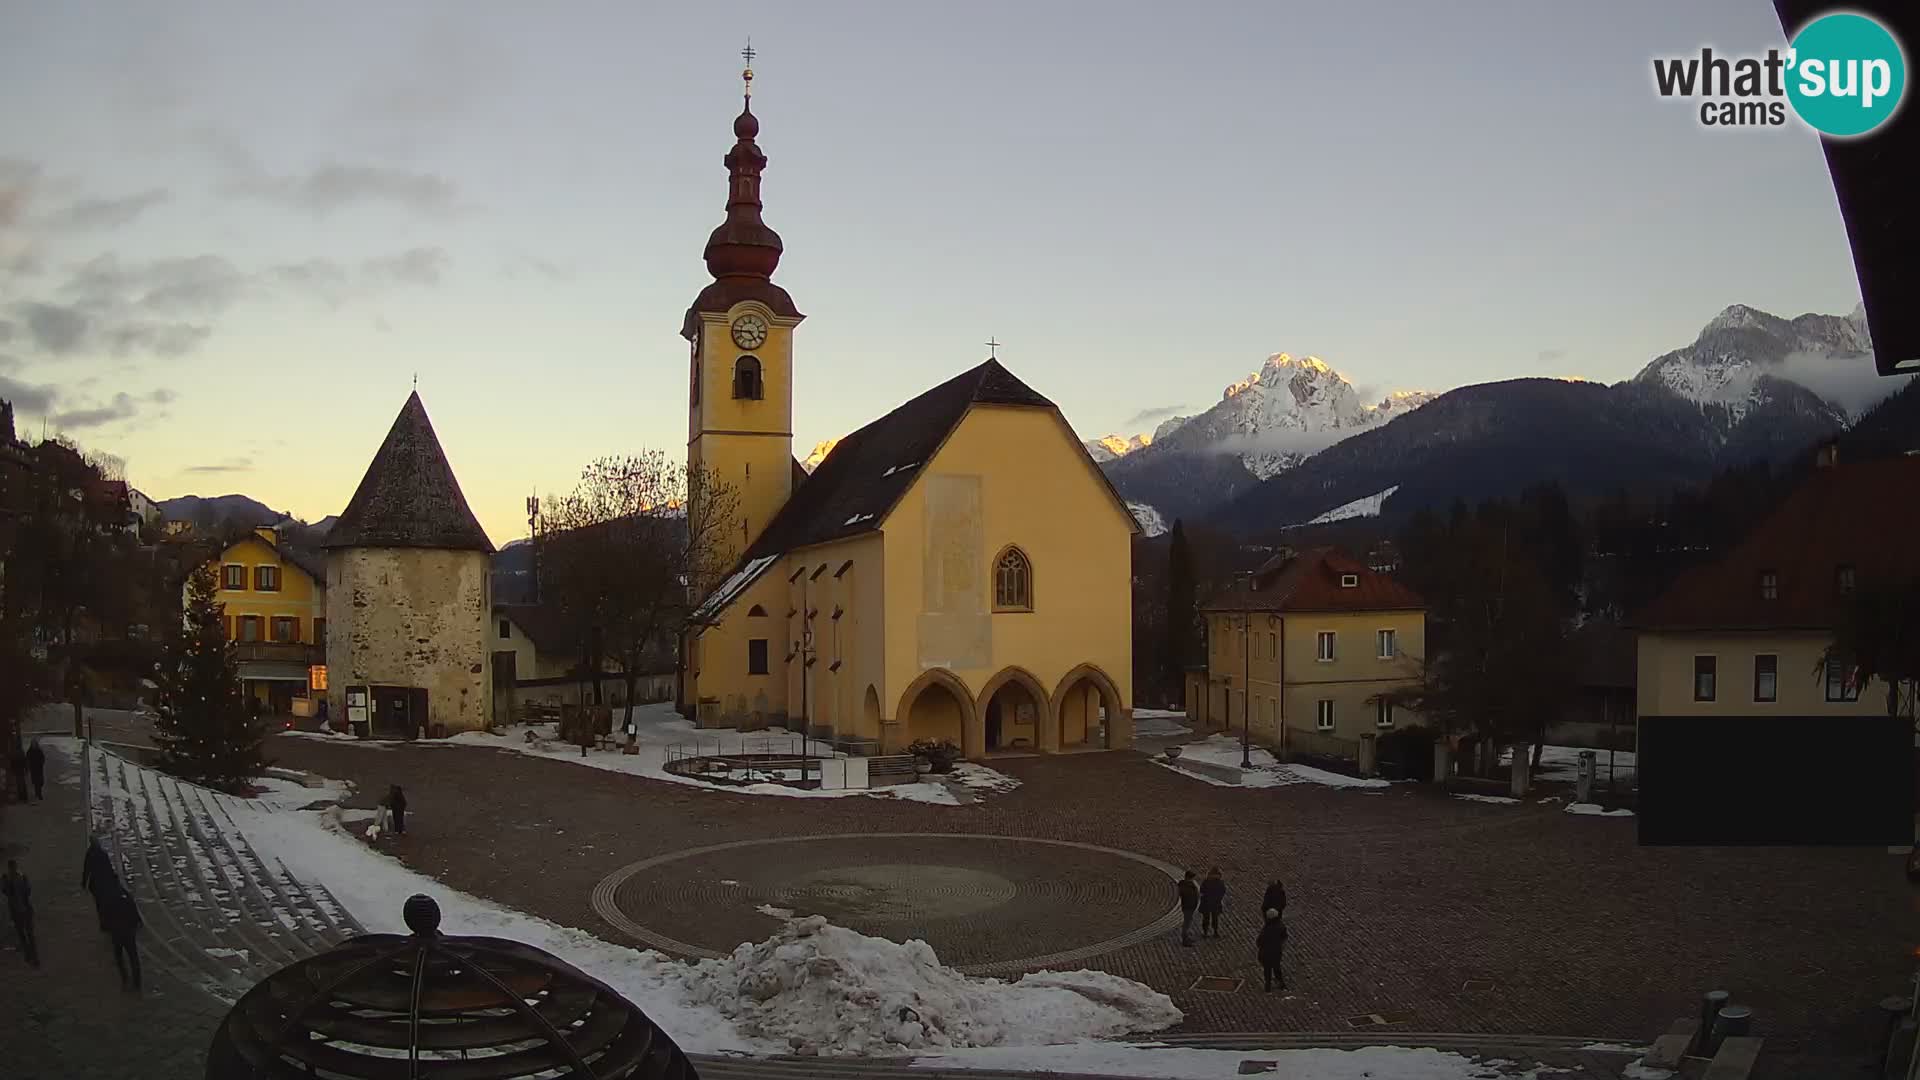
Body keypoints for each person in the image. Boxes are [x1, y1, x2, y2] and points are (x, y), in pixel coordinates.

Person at [103, 886, 143, 991]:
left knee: (119, 956)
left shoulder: (108, 901)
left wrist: (107, 928)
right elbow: (133, 911)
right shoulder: (126, 896)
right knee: (133, 957)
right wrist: (137, 923)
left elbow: (106, 917)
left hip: (117, 933)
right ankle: (136, 982)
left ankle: (125, 977)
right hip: (128, 932)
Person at [2, 859, 38, 967]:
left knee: (27, 935)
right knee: (24, 935)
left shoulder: (18, 877)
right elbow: (6, 891)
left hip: (22, 910)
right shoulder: (11, 878)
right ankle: (30, 955)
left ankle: (32, 956)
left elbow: (27, 891)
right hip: (20, 910)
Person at [81, 836, 119, 931]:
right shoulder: (102, 854)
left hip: (96, 884)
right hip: (103, 883)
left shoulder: (89, 854)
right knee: (105, 903)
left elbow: (86, 870)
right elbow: (108, 868)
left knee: (100, 904)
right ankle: (108, 921)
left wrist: (84, 882)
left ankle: (104, 923)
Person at [1257, 907, 1288, 992]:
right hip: (1276, 952)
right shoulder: (1280, 926)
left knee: (1267, 970)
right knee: (1276, 967)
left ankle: (1268, 986)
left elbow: (1259, 941)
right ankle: (1281, 984)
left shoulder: (1266, 928)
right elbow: (1284, 937)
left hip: (1265, 952)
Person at [1198, 867, 1226, 939]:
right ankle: (1215, 932)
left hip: (1206, 903)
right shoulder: (1220, 883)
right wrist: (1218, 899)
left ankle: (1205, 933)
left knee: (1206, 918)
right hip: (1215, 903)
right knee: (1215, 918)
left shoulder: (1206, 882)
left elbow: (1201, 891)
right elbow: (1222, 892)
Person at [1176, 870, 1200, 947]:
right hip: (1188, 907)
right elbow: (1187, 895)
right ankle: (1185, 940)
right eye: (1191, 878)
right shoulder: (1185, 886)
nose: (1192, 879)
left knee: (1188, 922)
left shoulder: (1189, 884)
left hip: (1191, 906)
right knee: (1186, 923)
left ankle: (1187, 938)